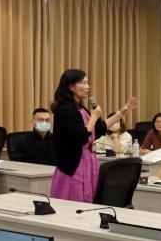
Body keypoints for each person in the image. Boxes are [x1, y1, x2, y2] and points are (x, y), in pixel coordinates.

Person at [50, 69, 137, 202]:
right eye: (83, 83)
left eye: (87, 83)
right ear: (71, 86)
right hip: (74, 165)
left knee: (88, 200)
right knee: (73, 200)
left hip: (88, 160)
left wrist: (122, 113)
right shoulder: (65, 110)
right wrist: (94, 117)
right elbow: (81, 136)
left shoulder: (80, 108)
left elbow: (100, 128)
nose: (88, 86)